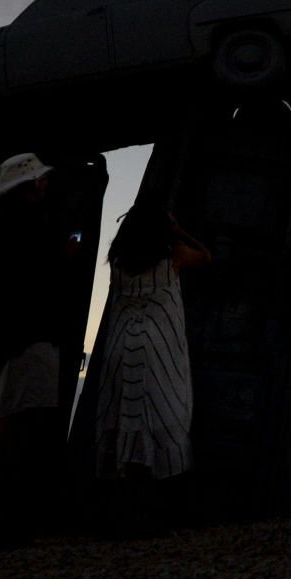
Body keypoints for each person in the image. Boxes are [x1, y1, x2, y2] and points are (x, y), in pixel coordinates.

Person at [0, 152, 78, 547]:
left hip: (4, 341)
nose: (44, 185)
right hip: (29, 337)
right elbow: (40, 279)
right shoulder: (30, 229)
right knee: (15, 425)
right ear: (26, 187)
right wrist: (66, 253)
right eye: (39, 180)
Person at [92, 204, 210, 532]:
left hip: (120, 348)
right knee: (162, 419)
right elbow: (207, 256)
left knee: (127, 422)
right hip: (159, 350)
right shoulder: (173, 256)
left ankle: (125, 514)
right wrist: (178, 230)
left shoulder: (117, 261)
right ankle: (155, 512)